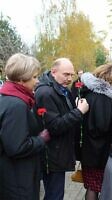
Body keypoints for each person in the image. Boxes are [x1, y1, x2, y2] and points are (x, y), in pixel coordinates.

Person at [34, 58, 89, 200]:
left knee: (55, 194)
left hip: (57, 153)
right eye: (66, 74)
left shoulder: (59, 89)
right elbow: (54, 127)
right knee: (55, 195)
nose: (70, 78)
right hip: (51, 155)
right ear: (53, 72)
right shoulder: (46, 93)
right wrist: (79, 112)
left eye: (71, 75)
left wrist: (76, 106)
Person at [0, 53, 50, 200]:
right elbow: (17, 147)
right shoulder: (17, 105)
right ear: (22, 79)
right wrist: (41, 139)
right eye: (34, 77)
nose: (37, 81)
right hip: (17, 180)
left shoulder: (7, 97)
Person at [79, 64, 112, 200]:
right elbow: (102, 126)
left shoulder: (89, 93)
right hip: (98, 151)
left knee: (91, 186)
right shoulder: (103, 98)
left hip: (87, 148)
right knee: (95, 186)